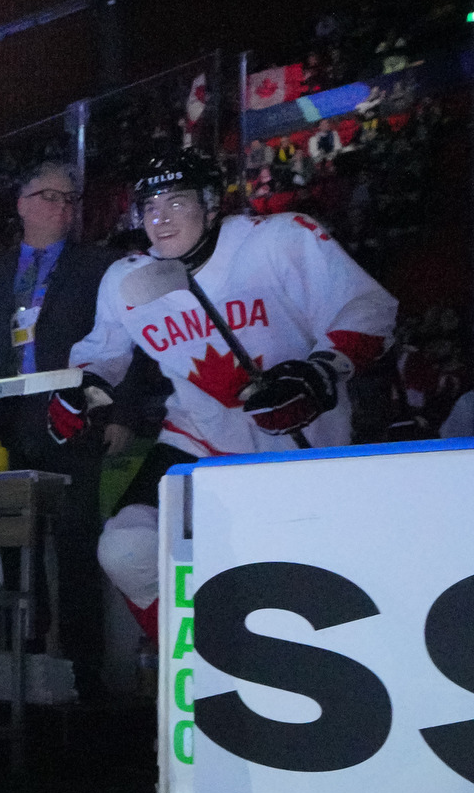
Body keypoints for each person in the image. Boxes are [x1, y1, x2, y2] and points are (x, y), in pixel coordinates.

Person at [51, 149, 396, 641]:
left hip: (299, 447)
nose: (161, 219)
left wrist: (319, 374)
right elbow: (102, 352)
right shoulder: (128, 279)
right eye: (150, 207)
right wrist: (79, 391)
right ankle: (191, 657)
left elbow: (368, 308)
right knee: (126, 547)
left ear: (212, 205)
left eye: (176, 202)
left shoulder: (279, 240)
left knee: (298, 590)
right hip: (197, 439)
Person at [0, 162, 121, 697]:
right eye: (49, 196)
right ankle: (22, 658)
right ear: (21, 203)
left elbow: (123, 347)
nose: (63, 206)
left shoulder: (100, 266)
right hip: (1, 422)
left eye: (71, 198)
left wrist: (117, 413)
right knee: (15, 551)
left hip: (72, 415)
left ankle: (84, 672)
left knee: (76, 547)